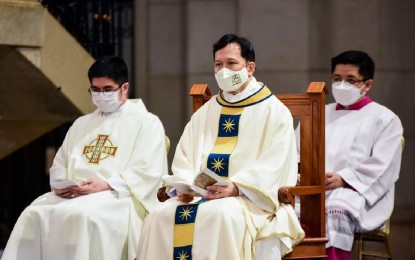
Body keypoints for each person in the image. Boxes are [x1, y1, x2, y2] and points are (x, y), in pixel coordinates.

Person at [137, 34, 304, 260]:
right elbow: (185, 157)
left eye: (232, 63)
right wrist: (184, 188)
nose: (224, 71)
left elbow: (275, 165)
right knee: (159, 215)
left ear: (250, 67)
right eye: (218, 64)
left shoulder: (274, 111)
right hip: (201, 197)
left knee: (221, 215)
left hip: (249, 199)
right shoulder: (207, 111)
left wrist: (237, 188)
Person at [1, 56, 168, 260]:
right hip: (74, 195)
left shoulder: (147, 123)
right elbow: (60, 163)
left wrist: (104, 185)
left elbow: (147, 171)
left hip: (116, 196)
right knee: (33, 213)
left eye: (107, 89)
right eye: (95, 90)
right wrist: (63, 184)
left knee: (84, 217)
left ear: (124, 89)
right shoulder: (81, 123)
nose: (100, 95)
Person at [297, 50, 403, 259]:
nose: (342, 85)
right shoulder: (318, 113)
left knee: (336, 209)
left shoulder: (384, 119)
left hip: (356, 193)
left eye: (351, 80)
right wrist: (300, 173)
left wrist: (343, 179)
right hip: (312, 189)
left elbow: (383, 165)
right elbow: (296, 151)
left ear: (368, 85)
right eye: (337, 79)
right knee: (284, 211)